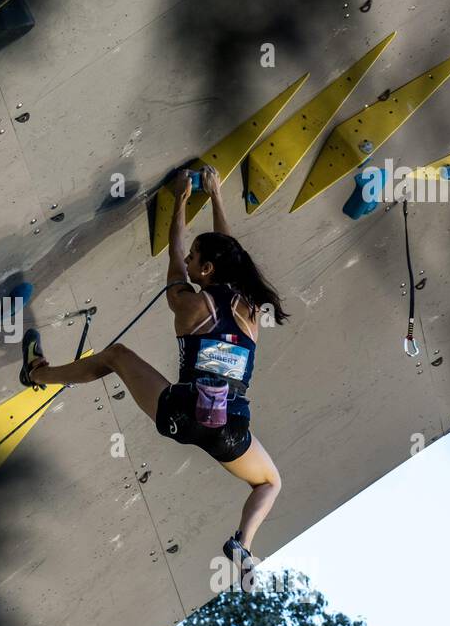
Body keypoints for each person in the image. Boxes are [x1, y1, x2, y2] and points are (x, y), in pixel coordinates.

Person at [19, 164, 288, 576]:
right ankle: (242, 544)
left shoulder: (190, 305)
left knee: (116, 356)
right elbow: (227, 254)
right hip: (228, 431)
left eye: (200, 257)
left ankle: (36, 374)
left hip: (182, 410)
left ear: (207, 271)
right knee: (270, 483)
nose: (193, 259)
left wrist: (181, 201)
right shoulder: (251, 310)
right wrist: (216, 195)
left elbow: (176, 260)